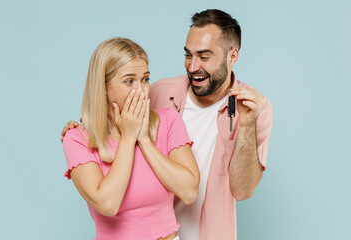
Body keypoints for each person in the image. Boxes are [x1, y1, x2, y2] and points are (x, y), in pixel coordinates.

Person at [62, 9, 273, 240]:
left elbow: (240, 190)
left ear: (232, 57)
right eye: (188, 55)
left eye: (203, 57)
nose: (193, 67)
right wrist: (87, 126)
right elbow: (112, 112)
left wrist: (247, 125)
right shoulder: (161, 93)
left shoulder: (252, 108)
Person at [62, 37, 200, 240]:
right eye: (129, 81)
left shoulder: (168, 121)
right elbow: (108, 204)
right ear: (104, 87)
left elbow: (189, 192)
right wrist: (128, 138)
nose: (141, 89)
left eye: (145, 79)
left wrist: (143, 139)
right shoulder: (77, 139)